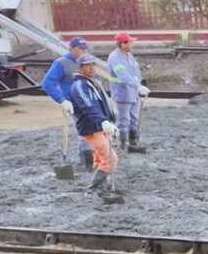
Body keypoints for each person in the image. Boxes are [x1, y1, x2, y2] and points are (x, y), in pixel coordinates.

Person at [68, 53, 119, 192]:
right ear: (80, 67)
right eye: (87, 65)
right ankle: (93, 188)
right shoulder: (79, 86)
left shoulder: (93, 83)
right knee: (111, 159)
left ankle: (101, 189)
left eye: (93, 64)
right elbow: (87, 106)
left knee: (100, 160)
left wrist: (109, 120)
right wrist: (103, 121)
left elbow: (103, 104)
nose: (91, 68)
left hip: (99, 127)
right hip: (91, 128)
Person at [42, 36, 93, 169]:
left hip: (89, 101)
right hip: (74, 103)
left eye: (85, 48)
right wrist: (62, 100)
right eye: (81, 49)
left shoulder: (87, 62)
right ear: (72, 48)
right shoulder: (62, 63)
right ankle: (87, 162)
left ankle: (90, 160)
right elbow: (47, 83)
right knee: (86, 130)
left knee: (93, 129)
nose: (84, 51)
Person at [107, 31, 151, 150]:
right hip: (122, 93)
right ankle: (123, 143)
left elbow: (136, 72)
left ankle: (133, 142)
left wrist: (141, 85)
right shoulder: (114, 58)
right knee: (124, 119)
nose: (132, 44)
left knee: (134, 118)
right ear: (123, 44)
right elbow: (123, 76)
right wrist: (138, 86)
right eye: (130, 42)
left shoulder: (129, 56)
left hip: (134, 93)